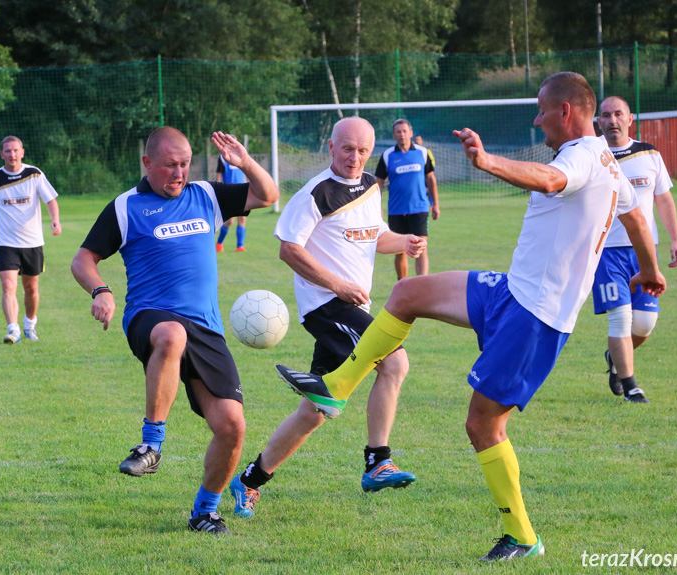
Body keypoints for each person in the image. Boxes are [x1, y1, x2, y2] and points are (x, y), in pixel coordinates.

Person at [276, 72, 667, 561]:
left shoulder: (583, 156)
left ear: (566, 111)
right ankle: (335, 389)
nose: (536, 117)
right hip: (510, 290)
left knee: (483, 426)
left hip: (537, 315)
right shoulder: (608, 162)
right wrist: (649, 269)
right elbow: (634, 217)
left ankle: (523, 537)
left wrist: (485, 161)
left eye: (542, 109)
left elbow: (549, 180)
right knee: (408, 292)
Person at [70, 128, 278, 534]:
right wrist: (101, 290)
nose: (179, 173)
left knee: (232, 427)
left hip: (206, 327)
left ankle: (205, 511)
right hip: (150, 317)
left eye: (184, 164)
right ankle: (151, 444)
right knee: (171, 335)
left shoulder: (205, 195)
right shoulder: (126, 207)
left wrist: (245, 163)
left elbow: (268, 196)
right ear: (147, 163)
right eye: (170, 165)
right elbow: (83, 259)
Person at [228, 117, 427, 518]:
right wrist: (337, 285)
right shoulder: (314, 193)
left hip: (353, 307)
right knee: (395, 360)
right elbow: (289, 249)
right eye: (347, 149)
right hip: (327, 307)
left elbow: (372, 236)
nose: (355, 158)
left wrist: (402, 241)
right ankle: (378, 461)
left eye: (363, 150)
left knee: (316, 411)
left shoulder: (371, 185)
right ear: (331, 148)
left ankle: (250, 479)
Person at [594, 96, 677, 404]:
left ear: (630, 118)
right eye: (606, 115)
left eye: (618, 114)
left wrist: (675, 239)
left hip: (644, 250)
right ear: (599, 121)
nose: (612, 120)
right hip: (605, 252)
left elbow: (664, 199)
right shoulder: (592, 155)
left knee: (644, 323)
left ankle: (615, 357)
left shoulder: (649, 154)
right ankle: (631, 386)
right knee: (620, 317)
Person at [0, 136, 62, 344]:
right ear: (1, 154)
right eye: (7, 151)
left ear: (22, 152)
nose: (12, 155)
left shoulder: (34, 174)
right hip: (5, 243)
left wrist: (55, 220)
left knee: (31, 288)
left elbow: (50, 199)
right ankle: (12, 330)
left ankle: (29, 325)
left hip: (32, 242)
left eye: (15, 151)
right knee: (8, 286)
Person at [375, 119, 440, 279]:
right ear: (394, 135)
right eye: (398, 131)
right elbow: (378, 183)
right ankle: (402, 285)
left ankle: (421, 285)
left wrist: (436, 204)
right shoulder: (387, 155)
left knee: (421, 248)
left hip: (419, 208)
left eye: (405, 131)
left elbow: (431, 179)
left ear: (410, 133)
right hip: (396, 210)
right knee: (400, 251)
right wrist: (376, 207)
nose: (402, 134)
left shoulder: (422, 152)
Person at [215, 155, 248, 252]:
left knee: (242, 218)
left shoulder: (241, 155)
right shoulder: (222, 157)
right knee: (230, 221)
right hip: (229, 191)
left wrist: (247, 186)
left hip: (242, 190)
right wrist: (219, 190)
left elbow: (244, 173)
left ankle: (240, 246)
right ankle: (219, 243)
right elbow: (219, 175)